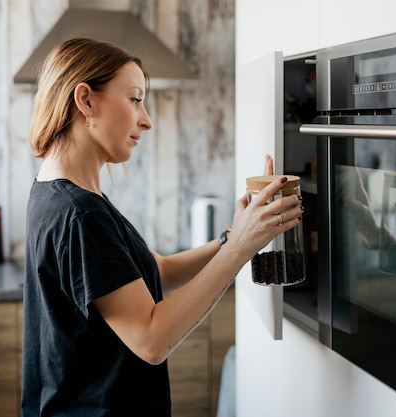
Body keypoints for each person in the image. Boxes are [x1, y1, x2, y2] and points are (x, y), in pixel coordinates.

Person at [22, 37, 303, 416]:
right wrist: (238, 250)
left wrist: (235, 237)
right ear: (86, 101)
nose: (146, 119)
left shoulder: (58, 194)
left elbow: (158, 270)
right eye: (136, 98)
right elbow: (151, 340)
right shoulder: (80, 213)